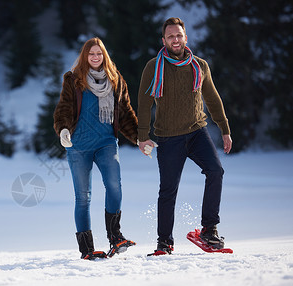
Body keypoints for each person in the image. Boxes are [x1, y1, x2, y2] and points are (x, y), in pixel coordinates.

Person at [137, 17, 232, 255]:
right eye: (170, 36)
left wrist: (225, 129)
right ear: (164, 40)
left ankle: (209, 230)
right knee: (168, 190)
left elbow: (212, 98)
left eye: (179, 35)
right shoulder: (154, 67)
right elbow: (144, 103)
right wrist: (142, 136)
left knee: (216, 171)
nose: (175, 40)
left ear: (185, 37)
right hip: (168, 138)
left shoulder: (199, 65)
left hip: (197, 131)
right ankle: (164, 242)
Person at [53, 37, 138, 260]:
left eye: (99, 54)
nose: (95, 57)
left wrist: (139, 138)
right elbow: (63, 108)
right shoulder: (74, 80)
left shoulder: (115, 80)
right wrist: (63, 129)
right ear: (84, 56)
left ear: (104, 56)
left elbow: (126, 113)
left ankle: (115, 236)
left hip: (106, 143)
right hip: (78, 147)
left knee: (114, 186)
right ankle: (87, 250)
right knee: (83, 197)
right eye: (91, 54)